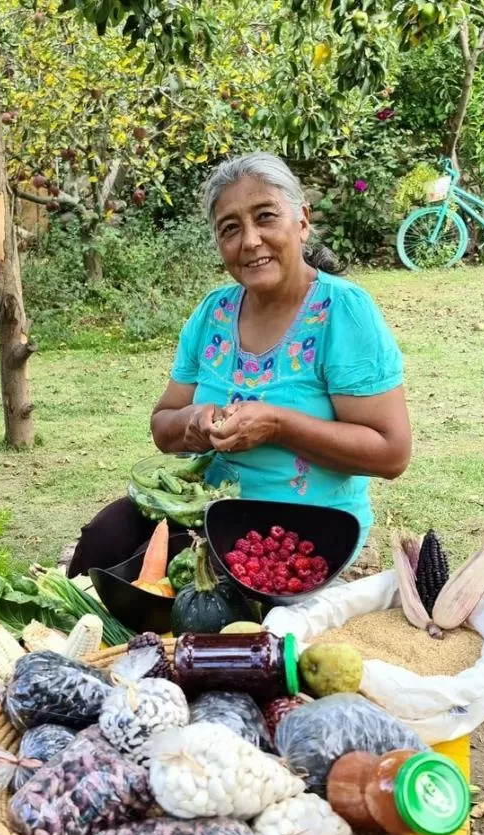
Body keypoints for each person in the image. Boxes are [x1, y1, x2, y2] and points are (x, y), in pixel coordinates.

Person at [66, 151, 411, 578]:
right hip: (207, 510)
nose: (249, 241)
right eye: (230, 229)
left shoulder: (343, 312)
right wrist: (191, 421)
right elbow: (162, 426)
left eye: (265, 217)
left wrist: (279, 426)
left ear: (301, 221)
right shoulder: (214, 314)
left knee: (162, 584)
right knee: (104, 539)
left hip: (305, 530)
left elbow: (391, 453)